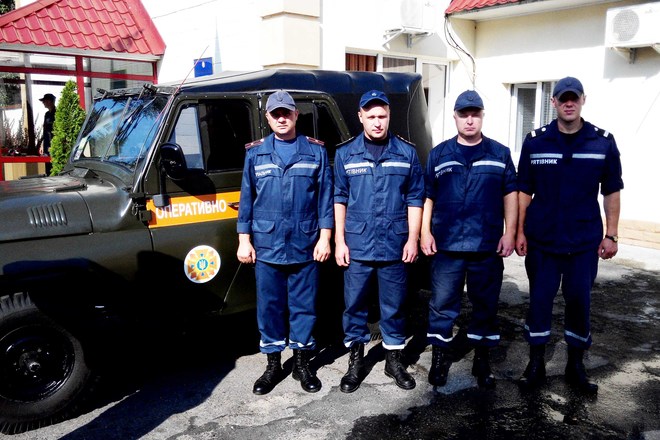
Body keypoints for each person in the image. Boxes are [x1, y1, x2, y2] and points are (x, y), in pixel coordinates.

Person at [515, 76, 623, 395]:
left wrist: (612, 235)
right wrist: (518, 231)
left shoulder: (602, 143)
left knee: (579, 303)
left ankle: (576, 366)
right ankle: (535, 364)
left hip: (583, 243)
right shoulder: (535, 142)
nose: (569, 103)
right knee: (539, 303)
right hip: (543, 242)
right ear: (554, 103)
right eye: (563, 98)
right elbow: (523, 190)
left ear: (583, 100)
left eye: (574, 98)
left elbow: (611, 191)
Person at [236, 90, 334, 395]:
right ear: (267, 118)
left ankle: (302, 363)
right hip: (267, 245)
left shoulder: (315, 152)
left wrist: (326, 238)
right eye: (275, 114)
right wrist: (243, 240)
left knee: (304, 306)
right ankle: (273, 365)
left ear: (295, 115)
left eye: (286, 113)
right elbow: (246, 199)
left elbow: (325, 199)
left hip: (306, 243)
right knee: (270, 307)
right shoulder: (256, 153)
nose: (281, 118)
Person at [420, 90, 518, 389]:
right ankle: (440, 359)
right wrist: (424, 231)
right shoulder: (439, 154)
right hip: (447, 245)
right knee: (442, 304)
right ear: (455, 116)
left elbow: (510, 194)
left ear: (482, 116)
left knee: (485, 304)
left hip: (486, 244)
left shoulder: (499, 153)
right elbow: (427, 195)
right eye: (464, 114)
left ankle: (482, 360)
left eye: (475, 114)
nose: (470, 119)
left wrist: (510, 232)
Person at [333, 90, 424, 393]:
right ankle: (356, 361)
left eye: (381, 116)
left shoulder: (406, 153)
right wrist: (339, 241)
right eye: (370, 116)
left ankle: (393, 361)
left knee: (394, 305)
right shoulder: (346, 153)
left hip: (395, 243)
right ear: (360, 117)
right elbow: (339, 198)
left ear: (389, 116)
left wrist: (413, 238)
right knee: (354, 305)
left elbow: (415, 198)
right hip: (357, 244)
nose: (377, 122)